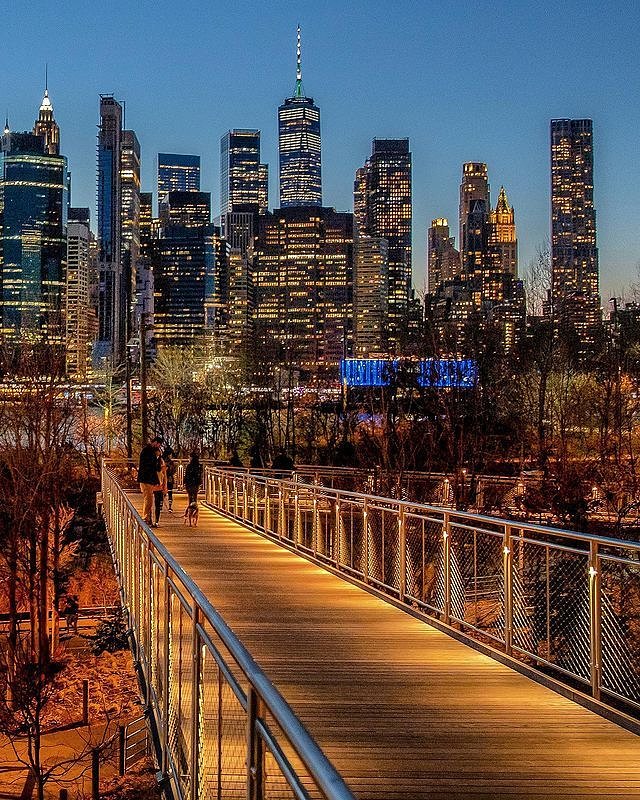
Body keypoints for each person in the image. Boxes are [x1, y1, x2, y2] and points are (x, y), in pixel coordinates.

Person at [138, 435, 163, 525]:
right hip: (146, 479)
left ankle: (148, 518)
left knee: (149, 499)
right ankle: (145, 518)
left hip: (147, 479)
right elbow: (151, 466)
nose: (159, 446)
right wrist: (156, 459)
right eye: (159, 444)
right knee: (148, 500)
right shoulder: (148, 451)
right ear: (155, 442)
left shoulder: (148, 450)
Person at [153, 447, 168, 527]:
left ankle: (156, 521)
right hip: (152, 485)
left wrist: (165, 487)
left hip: (158, 486)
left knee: (157, 504)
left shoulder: (161, 462)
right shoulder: (152, 461)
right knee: (153, 504)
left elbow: (164, 476)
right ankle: (152, 520)